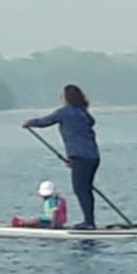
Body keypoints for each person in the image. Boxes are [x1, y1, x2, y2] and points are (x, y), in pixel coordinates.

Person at [22, 84, 101, 230]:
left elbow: (45, 121)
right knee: (86, 189)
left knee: (80, 189)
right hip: (92, 157)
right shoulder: (84, 113)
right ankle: (90, 221)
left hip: (80, 157)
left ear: (67, 98)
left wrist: (29, 123)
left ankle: (89, 223)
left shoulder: (65, 113)